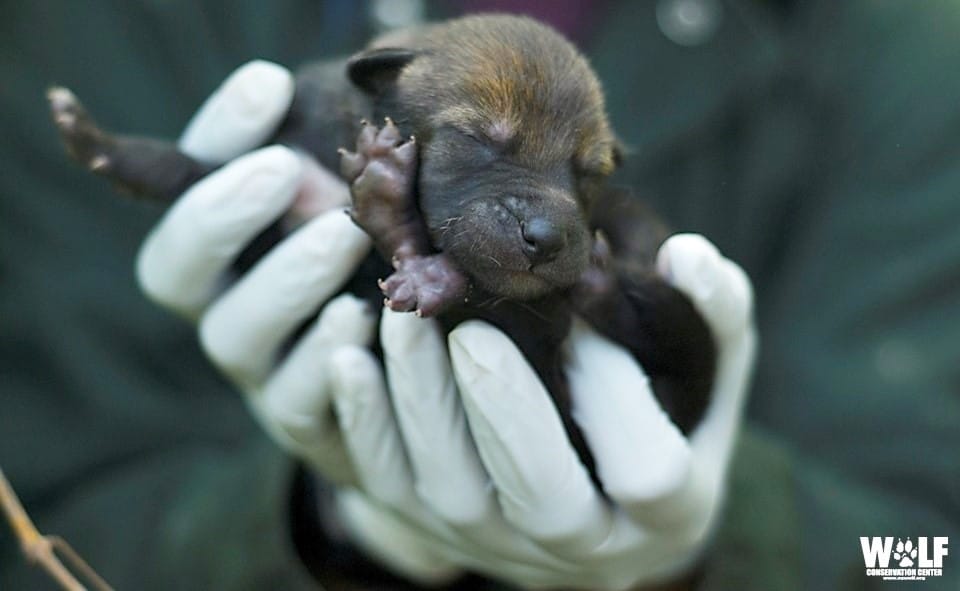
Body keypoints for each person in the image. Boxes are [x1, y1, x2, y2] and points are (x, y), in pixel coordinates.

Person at [1, 1, 957, 590]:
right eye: (477, 140)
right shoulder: (118, 22)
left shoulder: (908, 58)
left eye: (584, 175)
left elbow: (926, 558)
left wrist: (729, 539)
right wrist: (312, 526)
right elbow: (45, 536)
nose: (546, 214)